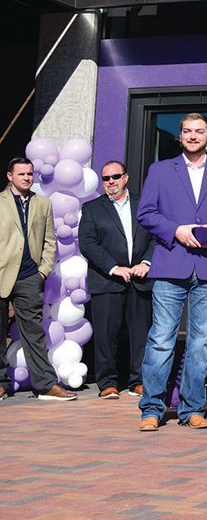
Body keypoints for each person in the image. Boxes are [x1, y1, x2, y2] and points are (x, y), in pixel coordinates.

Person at [137, 112, 207, 430]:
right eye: (187, 131)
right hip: (171, 261)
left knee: (201, 342)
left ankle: (192, 408)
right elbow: (146, 213)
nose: (194, 136)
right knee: (160, 339)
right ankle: (151, 410)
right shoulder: (159, 170)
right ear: (180, 136)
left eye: (199, 131)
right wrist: (177, 229)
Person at [0, 157, 75, 401]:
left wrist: (41, 271)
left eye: (29, 174)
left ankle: (45, 384)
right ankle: (1, 383)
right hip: (1, 273)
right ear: (10, 176)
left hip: (29, 277)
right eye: (21, 174)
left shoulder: (42, 203)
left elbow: (50, 240)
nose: (26, 178)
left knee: (34, 333)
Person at [78, 160, 155, 399]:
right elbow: (88, 244)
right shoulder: (92, 209)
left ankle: (138, 380)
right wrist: (113, 268)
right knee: (106, 335)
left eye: (115, 177)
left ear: (126, 178)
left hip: (140, 279)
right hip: (107, 280)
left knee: (141, 334)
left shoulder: (144, 204)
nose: (110, 182)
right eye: (106, 178)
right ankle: (108, 383)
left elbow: (155, 237)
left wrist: (146, 263)